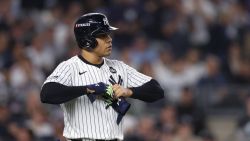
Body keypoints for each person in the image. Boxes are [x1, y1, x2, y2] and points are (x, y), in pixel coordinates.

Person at [40, 13, 164, 141]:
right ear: (87, 39)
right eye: (103, 35)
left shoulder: (119, 67)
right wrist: (87, 89)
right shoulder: (70, 67)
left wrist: (129, 91)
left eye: (108, 35)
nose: (109, 39)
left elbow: (157, 91)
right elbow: (47, 94)